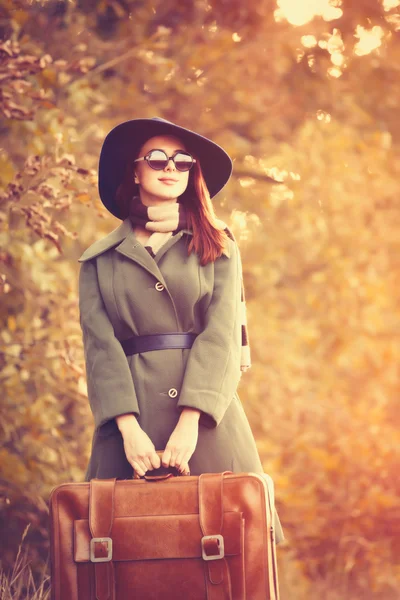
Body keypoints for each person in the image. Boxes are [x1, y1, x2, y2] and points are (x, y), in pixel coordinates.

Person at [78, 116, 284, 544]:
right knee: (128, 561)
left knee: (230, 559)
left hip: (208, 424)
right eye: (156, 159)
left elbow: (222, 336)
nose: (170, 167)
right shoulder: (100, 259)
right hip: (126, 431)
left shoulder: (218, 245)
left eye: (182, 161)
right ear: (134, 171)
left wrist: (190, 424)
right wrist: (129, 431)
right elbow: (101, 350)